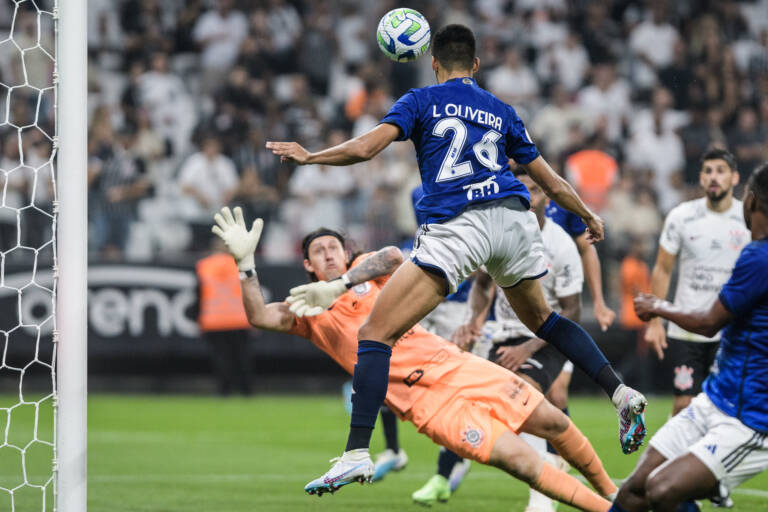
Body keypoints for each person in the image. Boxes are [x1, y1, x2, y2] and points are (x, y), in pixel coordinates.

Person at [266, 24, 647, 493]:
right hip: (512, 220)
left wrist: (310, 157)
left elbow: (366, 148)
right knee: (545, 320)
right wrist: (588, 214)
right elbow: (550, 182)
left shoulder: (421, 99)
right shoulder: (503, 110)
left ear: (433, 63)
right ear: (476, 65)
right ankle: (620, 390)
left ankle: (358, 452)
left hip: (459, 224)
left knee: (374, 333)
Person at [212, 206, 618, 511]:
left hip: (457, 366)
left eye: (334, 247)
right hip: (427, 404)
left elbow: (393, 255)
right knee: (523, 463)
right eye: (319, 252)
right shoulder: (309, 309)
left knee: (554, 422)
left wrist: (342, 283)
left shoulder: (365, 272)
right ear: (307, 265)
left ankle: (616, 494)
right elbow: (260, 316)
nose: (329, 254)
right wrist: (245, 265)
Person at [419, 168, 583, 510]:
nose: (528, 197)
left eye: (535, 190)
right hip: (504, 337)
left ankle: (543, 496)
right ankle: (446, 473)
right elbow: (481, 284)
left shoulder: (561, 245)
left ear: (546, 198)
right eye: (521, 190)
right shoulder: (500, 233)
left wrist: (527, 346)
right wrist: (473, 321)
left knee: (522, 396)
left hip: (546, 339)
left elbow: (572, 311)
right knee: (464, 399)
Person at [610, 162, 768, 512]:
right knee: (634, 490)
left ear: (750, 200)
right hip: (714, 399)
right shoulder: (751, 252)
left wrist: (658, 307)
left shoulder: (760, 258)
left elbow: (709, 322)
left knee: (663, 490)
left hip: (749, 419)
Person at [644, 149, 749, 416]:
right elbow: (663, 269)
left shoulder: (749, 217)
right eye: (708, 171)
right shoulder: (681, 216)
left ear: (734, 178)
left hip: (730, 330)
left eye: (721, 171)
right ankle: (673, 455)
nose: (714, 177)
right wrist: (656, 322)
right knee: (683, 405)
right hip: (685, 329)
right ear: (701, 178)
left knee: (726, 407)